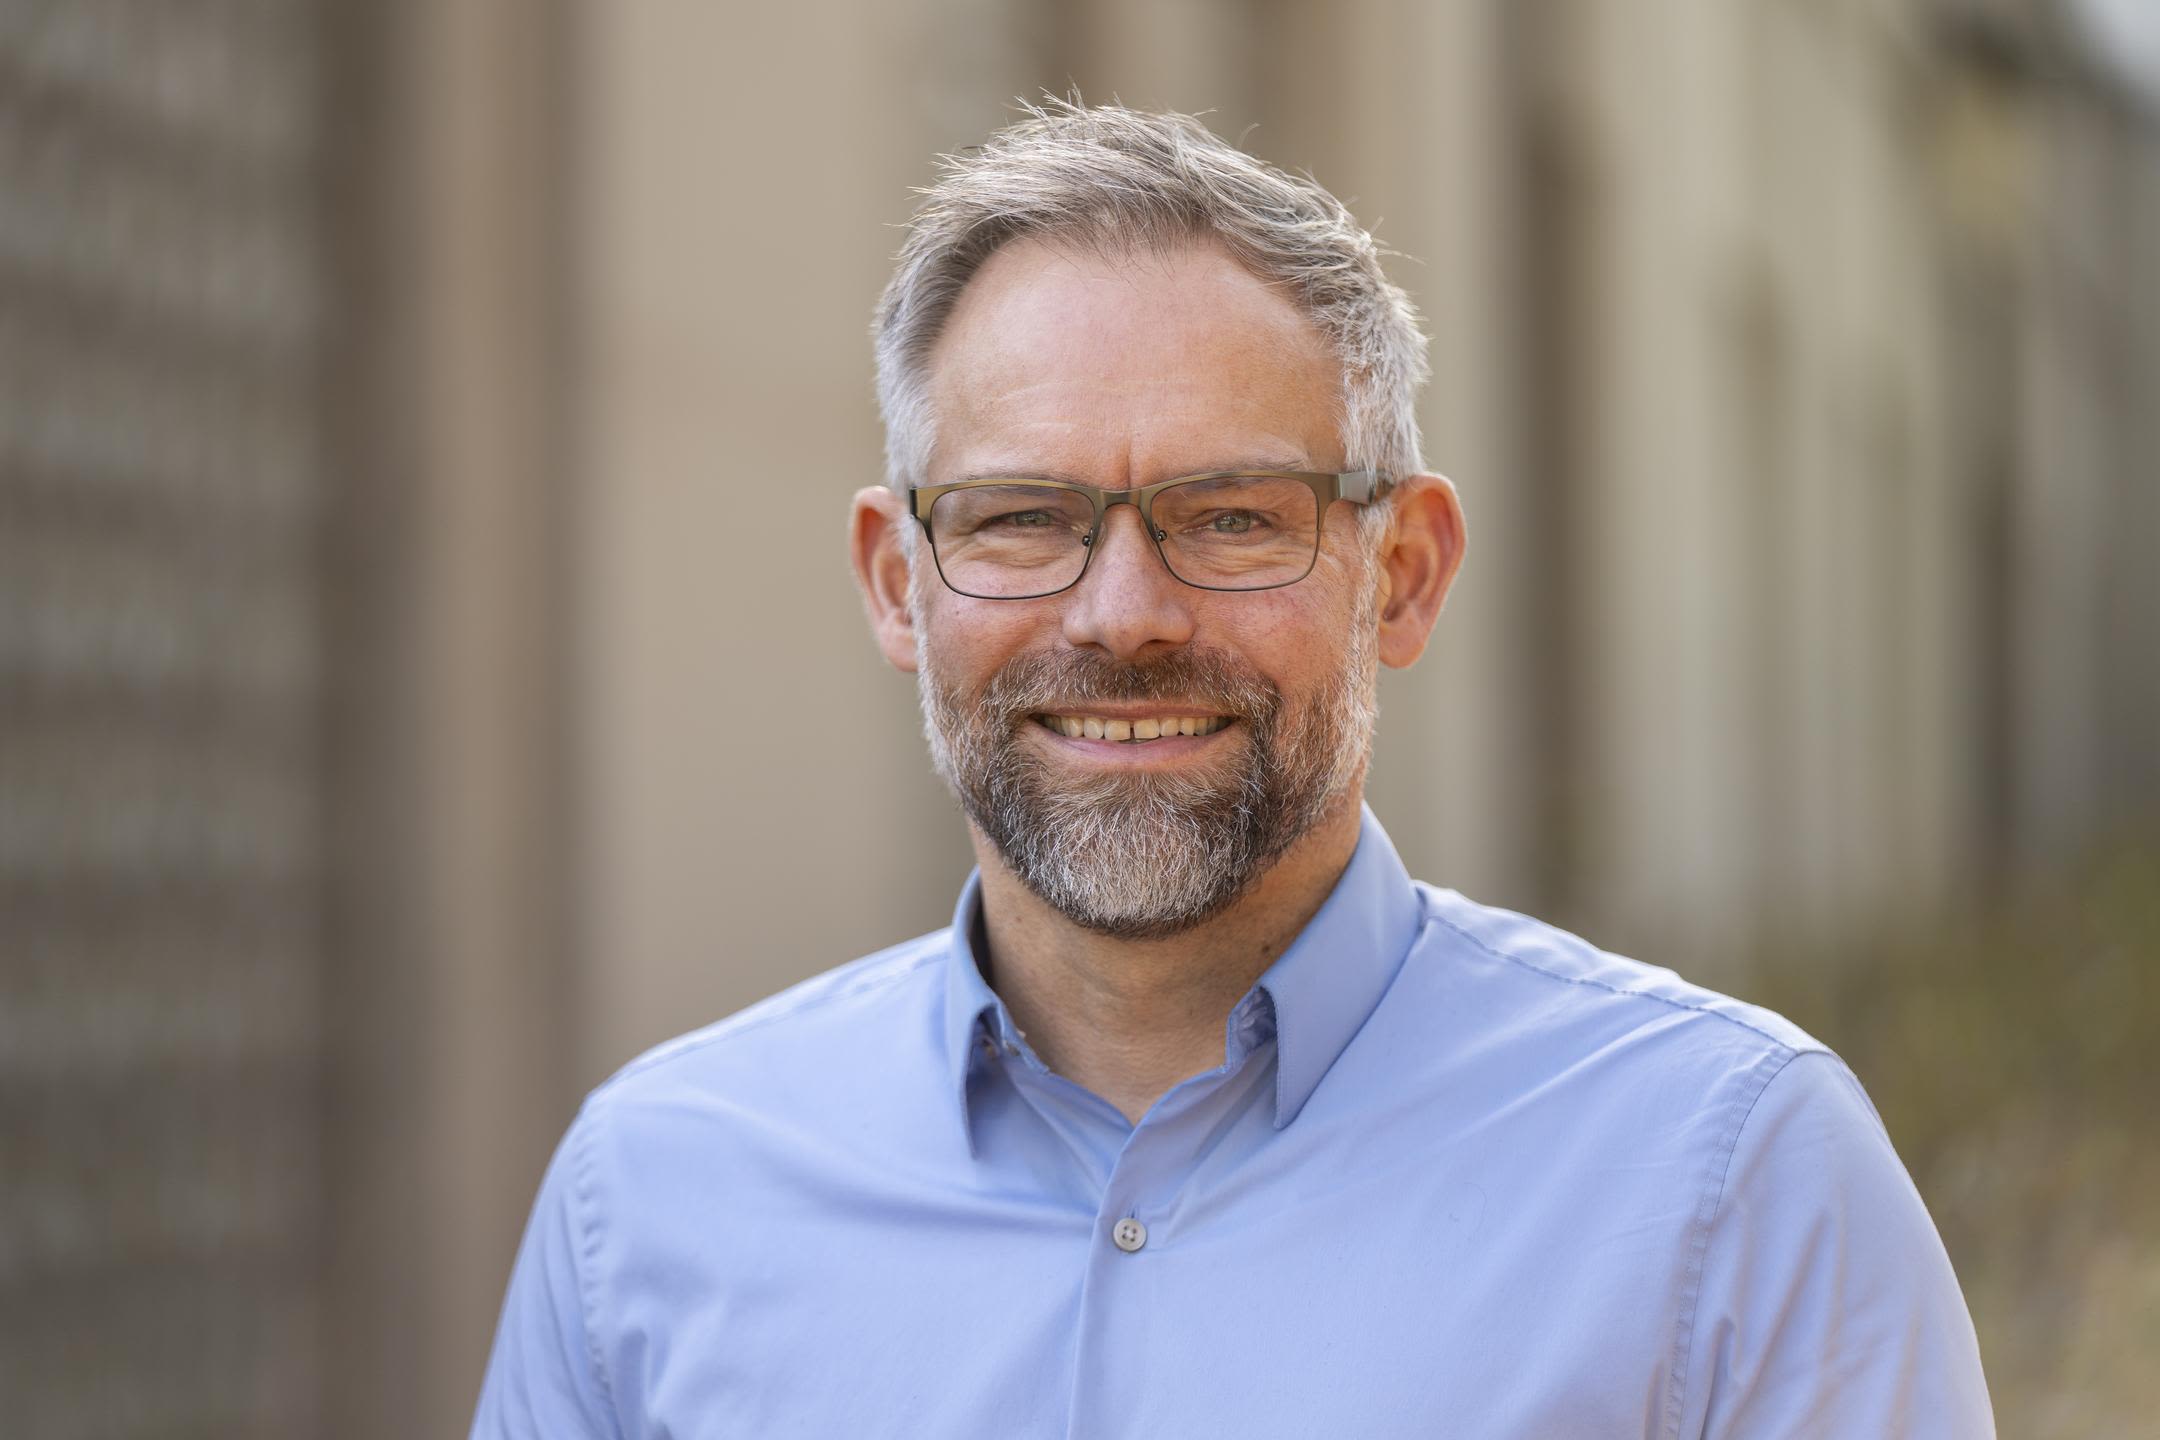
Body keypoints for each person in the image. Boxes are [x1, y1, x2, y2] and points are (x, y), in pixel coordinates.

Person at [473, 102, 1993, 1438]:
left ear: (1401, 573)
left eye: (1233, 518)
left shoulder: (1728, 1183)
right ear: (895, 581)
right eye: (1017, 518)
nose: (1122, 616)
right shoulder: (654, 1202)